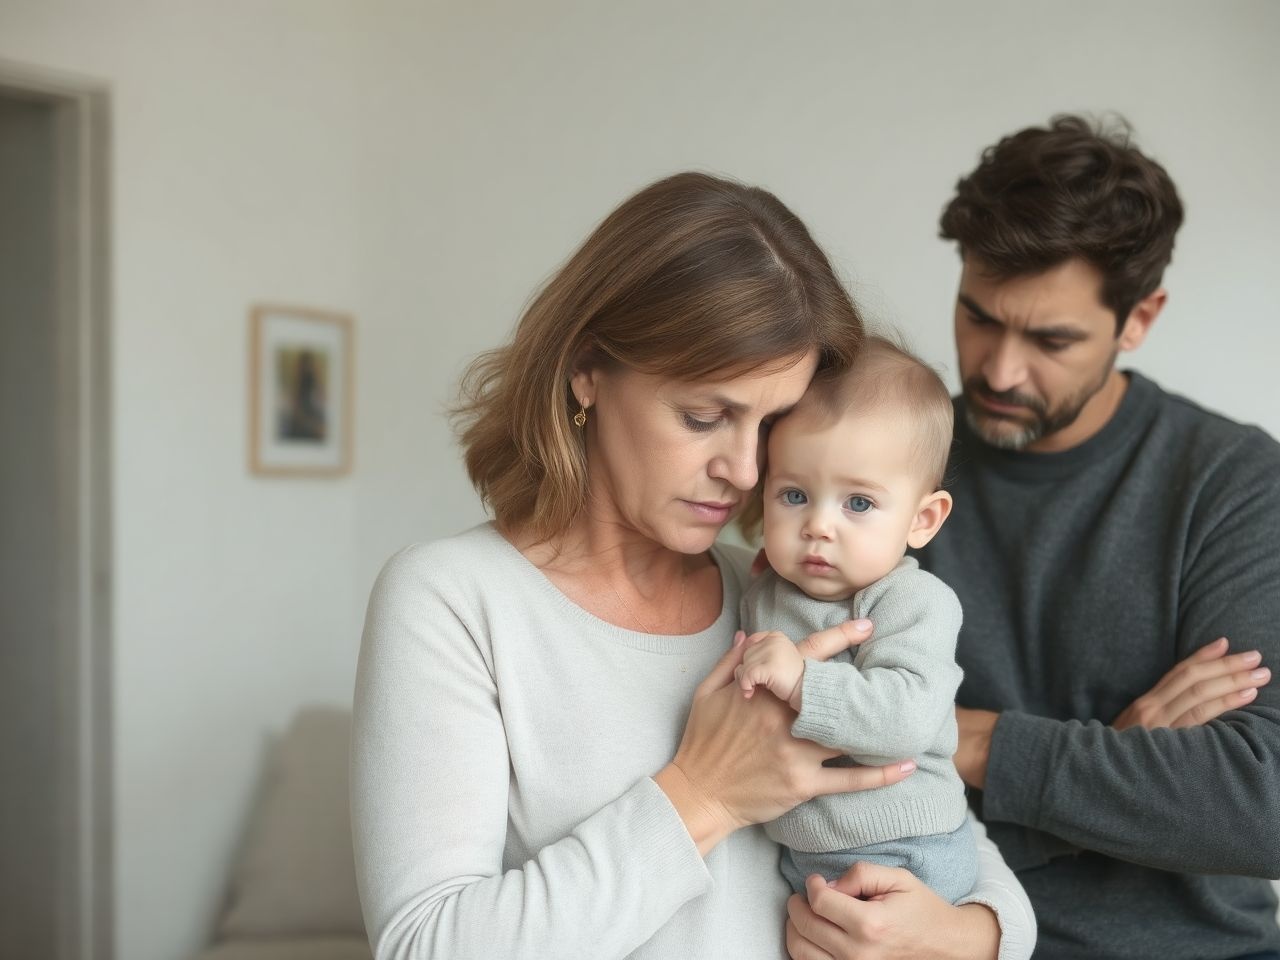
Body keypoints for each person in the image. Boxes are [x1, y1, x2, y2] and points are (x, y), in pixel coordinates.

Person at [350, 172, 1036, 960]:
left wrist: (967, 937)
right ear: (587, 370)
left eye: (772, 424)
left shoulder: (775, 593)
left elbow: (939, 808)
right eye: (704, 417)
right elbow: (423, 946)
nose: (745, 471)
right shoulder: (454, 600)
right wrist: (701, 795)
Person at [916, 115, 1280, 959]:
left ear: (1139, 318)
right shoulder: (885, 470)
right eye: (978, 317)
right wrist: (1115, 761)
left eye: (1051, 340)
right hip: (946, 940)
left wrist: (970, 740)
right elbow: (829, 766)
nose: (1000, 370)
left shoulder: (1232, 482)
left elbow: (1260, 803)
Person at [734, 336, 975, 902]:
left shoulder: (914, 601)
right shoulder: (764, 585)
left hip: (907, 845)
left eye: (858, 504)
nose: (818, 525)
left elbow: (907, 719)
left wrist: (801, 681)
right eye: (793, 495)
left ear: (923, 519)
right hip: (806, 853)